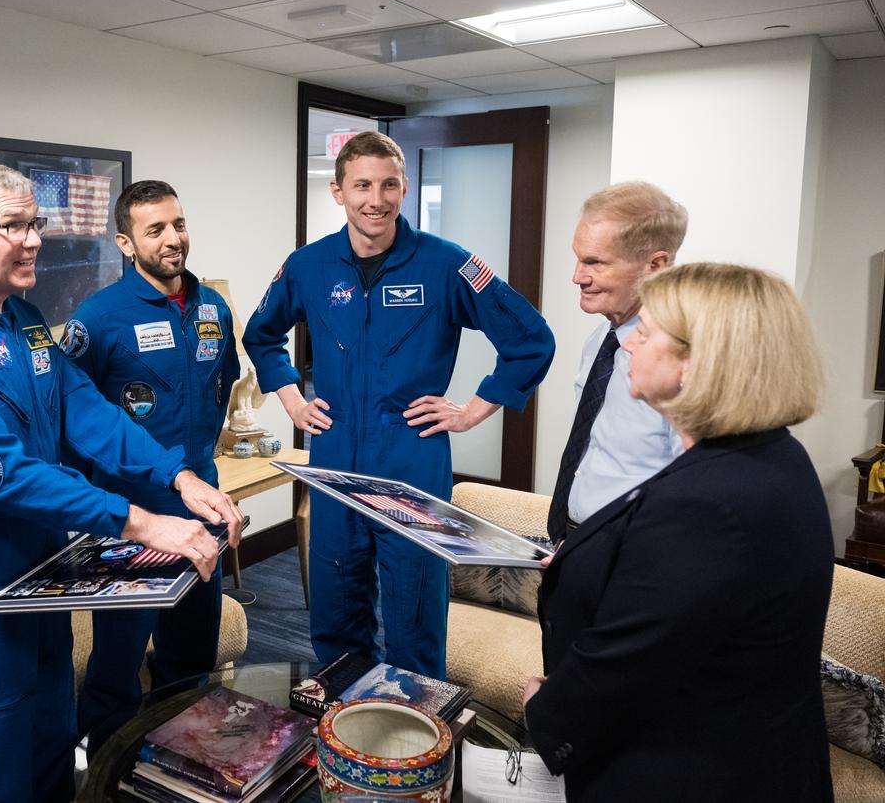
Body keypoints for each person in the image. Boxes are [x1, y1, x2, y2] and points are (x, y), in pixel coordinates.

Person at [0, 161, 243, 803]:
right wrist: (142, 520)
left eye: (34, 222)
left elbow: (86, 409)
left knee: (50, 741)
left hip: (41, 571)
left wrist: (176, 476)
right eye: (14, 225)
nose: (34, 238)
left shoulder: (22, 318)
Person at [244, 131, 555, 678]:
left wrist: (472, 410)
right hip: (335, 456)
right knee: (337, 608)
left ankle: (416, 738)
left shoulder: (445, 265)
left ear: (405, 189)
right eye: (362, 185)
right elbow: (261, 334)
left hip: (413, 459)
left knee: (413, 613)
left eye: (389, 184)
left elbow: (531, 339)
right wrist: (292, 399)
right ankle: (346, 726)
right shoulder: (308, 266)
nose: (376, 198)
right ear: (338, 191)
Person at [523, 262, 833, 802]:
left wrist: (544, 710)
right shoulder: (770, 457)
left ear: (695, 363)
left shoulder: (710, 502)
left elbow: (630, 658)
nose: (628, 345)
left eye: (646, 331)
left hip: (690, 773)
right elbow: (686, 596)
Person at [65, 179, 241, 749]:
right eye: (156, 230)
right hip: (135, 518)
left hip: (202, 505)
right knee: (117, 663)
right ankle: (112, 773)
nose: (173, 240)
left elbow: (224, 384)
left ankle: (182, 761)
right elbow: (76, 416)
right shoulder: (98, 318)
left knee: (192, 652)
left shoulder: (212, 305)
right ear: (125, 241)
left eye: (179, 224)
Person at [546, 182, 689, 543]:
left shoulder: (683, 358)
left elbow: (689, 485)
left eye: (594, 262)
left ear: (656, 265)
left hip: (633, 550)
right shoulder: (600, 339)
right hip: (574, 542)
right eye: (578, 258)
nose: (577, 277)